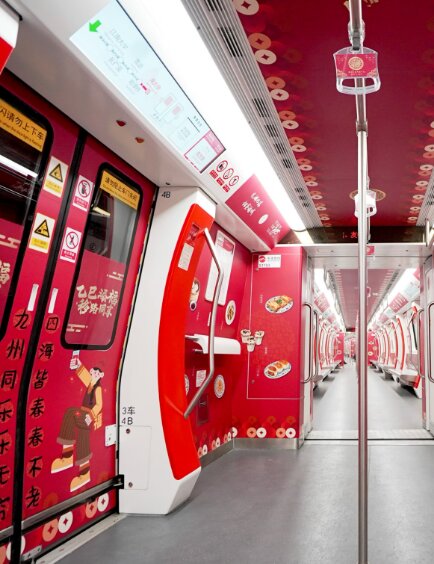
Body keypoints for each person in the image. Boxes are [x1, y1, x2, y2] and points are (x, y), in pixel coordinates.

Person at [51, 356, 103, 492]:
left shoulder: (97, 389)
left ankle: (84, 472)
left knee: (82, 434)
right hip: (83, 412)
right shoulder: (91, 384)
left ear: (101, 375)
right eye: (94, 372)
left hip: (90, 416)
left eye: (97, 373)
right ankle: (68, 457)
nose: (95, 374)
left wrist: (91, 416)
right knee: (70, 413)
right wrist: (78, 364)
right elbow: (84, 376)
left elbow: (99, 405)